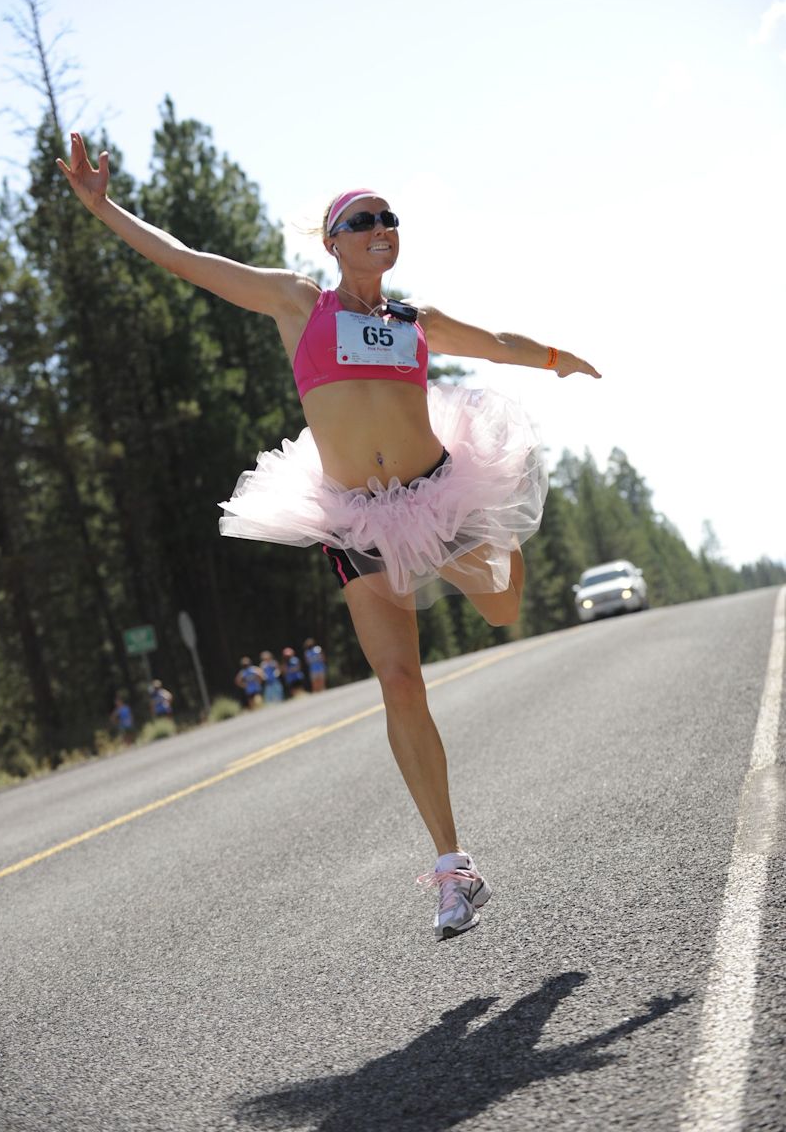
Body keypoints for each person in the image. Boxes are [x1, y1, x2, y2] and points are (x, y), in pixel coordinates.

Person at [57, 144, 601, 941]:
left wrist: (557, 359)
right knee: (399, 681)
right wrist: (103, 208)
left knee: (501, 610)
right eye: (363, 220)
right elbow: (188, 261)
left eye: (389, 219)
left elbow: (495, 343)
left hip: (438, 497)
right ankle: (452, 869)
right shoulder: (297, 305)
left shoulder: (414, 321)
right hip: (355, 517)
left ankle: (495, 532)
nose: (381, 228)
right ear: (331, 240)